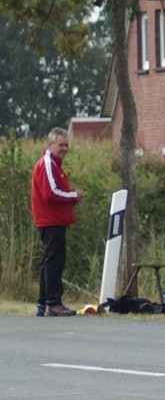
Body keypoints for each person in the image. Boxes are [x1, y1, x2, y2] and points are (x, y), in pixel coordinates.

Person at [31, 128, 82, 317]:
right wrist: (73, 195)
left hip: (53, 218)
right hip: (51, 219)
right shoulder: (47, 163)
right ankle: (53, 303)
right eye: (61, 145)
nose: (64, 149)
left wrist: (70, 197)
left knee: (49, 260)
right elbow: (51, 192)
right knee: (54, 261)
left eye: (67, 145)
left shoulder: (54, 164)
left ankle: (43, 303)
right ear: (50, 144)